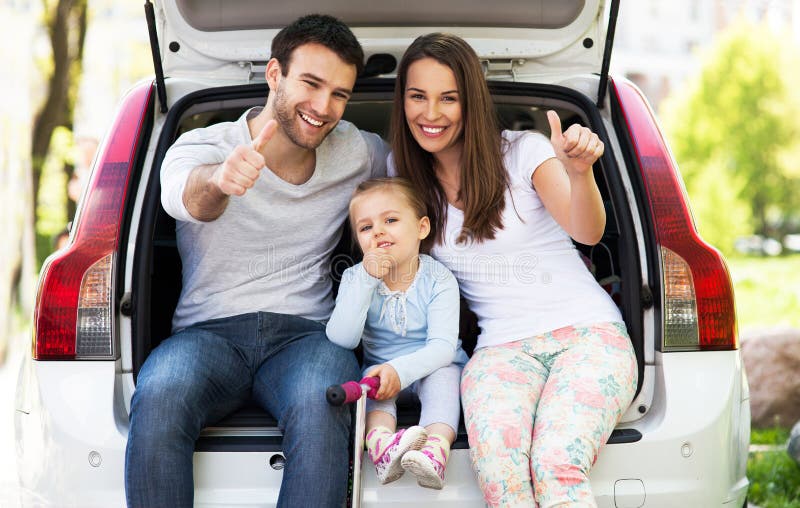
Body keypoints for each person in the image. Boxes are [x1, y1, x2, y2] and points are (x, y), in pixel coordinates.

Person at [125, 14, 389, 508]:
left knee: (326, 396)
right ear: (274, 74)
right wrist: (221, 181)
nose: (324, 107)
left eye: (339, 94)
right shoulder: (202, 146)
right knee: (160, 393)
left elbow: (421, 175)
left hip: (305, 336)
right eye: (311, 84)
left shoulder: (356, 151)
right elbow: (188, 199)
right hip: (208, 335)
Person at [389, 33, 638, 507]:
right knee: (501, 476)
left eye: (449, 98)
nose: (431, 113)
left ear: (472, 102)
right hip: (500, 350)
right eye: (417, 96)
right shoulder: (401, 172)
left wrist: (580, 173)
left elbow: (586, 230)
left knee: (555, 462)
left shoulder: (524, 150)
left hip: (588, 336)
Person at [326, 178, 468, 490]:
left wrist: (399, 371)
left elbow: (443, 348)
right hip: (382, 371)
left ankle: (435, 449)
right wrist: (366, 279)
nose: (377, 231)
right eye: (365, 227)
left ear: (422, 228)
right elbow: (342, 338)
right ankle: (380, 445)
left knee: (445, 378)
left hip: (432, 367)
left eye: (390, 220)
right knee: (371, 388)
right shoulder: (354, 277)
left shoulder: (438, 279)